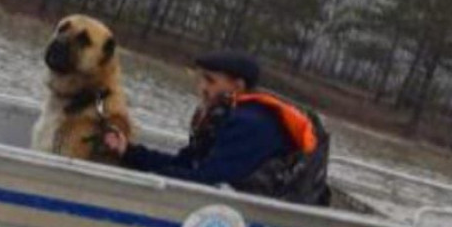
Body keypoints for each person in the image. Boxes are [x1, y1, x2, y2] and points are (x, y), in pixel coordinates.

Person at [102, 51, 330, 206]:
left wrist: (143, 177)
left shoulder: (251, 123)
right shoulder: (222, 116)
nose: (201, 87)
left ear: (237, 86)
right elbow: (184, 163)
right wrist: (129, 152)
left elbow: (205, 182)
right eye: (200, 79)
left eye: (210, 81)